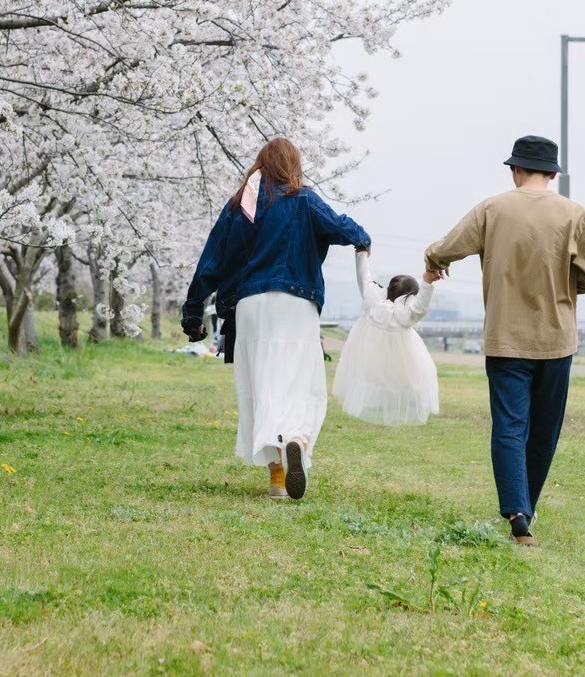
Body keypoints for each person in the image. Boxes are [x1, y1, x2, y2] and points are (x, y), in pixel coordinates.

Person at [425, 134, 585, 547]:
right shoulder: (574, 213)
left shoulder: (493, 208)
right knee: (544, 430)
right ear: (552, 173)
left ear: (515, 170)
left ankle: (517, 510)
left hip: (505, 338)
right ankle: (528, 509)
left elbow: (449, 246)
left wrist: (433, 260)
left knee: (509, 426)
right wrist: (564, 282)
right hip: (557, 338)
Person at [181, 138, 370, 501]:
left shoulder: (241, 205)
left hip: (251, 305)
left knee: (260, 385)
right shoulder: (303, 199)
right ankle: (296, 438)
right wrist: (363, 240)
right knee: (301, 381)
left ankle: (278, 481)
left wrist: (193, 309)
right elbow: (345, 229)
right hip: (296, 304)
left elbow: (212, 260)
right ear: (292, 165)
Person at [333, 252, 441, 426]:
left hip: (371, 350)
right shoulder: (409, 313)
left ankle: (373, 403)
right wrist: (427, 281)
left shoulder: (373, 301)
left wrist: (361, 253)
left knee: (371, 373)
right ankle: (396, 403)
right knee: (405, 380)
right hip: (403, 354)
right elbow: (422, 304)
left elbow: (364, 276)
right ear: (411, 296)